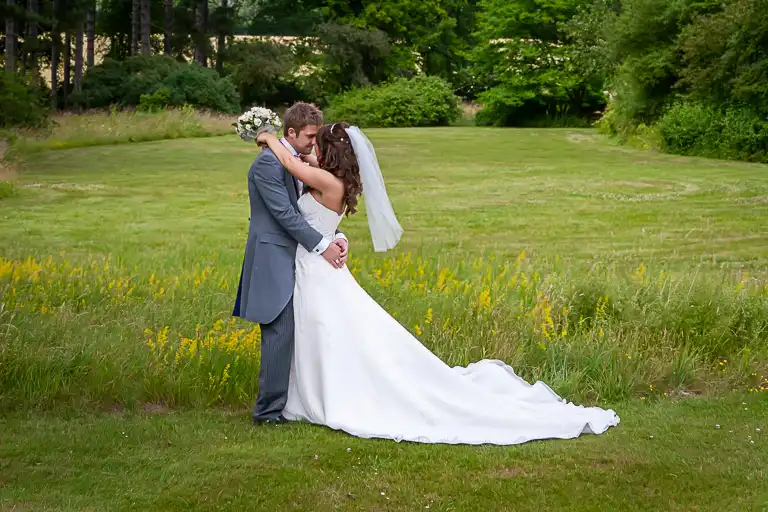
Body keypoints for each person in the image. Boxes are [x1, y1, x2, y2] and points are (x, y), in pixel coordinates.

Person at [253, 122, 620, 445]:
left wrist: (269, 137)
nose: (312, 147)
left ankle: (327, 396)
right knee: (329, 333)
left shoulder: (321, 178)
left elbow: (289, 164)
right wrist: (338, 237)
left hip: (316, 269)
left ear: (328, 151)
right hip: (317, 267)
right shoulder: (339, 181)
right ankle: (309, 393)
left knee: (328, 332)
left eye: (318, 142)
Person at [233, 102, 349, 425]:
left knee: (297, 334)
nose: (314, 143)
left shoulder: (298, 160)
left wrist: (335, 235)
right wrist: (323, 245)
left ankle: (290, 404)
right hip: (274, 257)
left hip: (298, 261)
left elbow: (311, 209)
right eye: (310, 137)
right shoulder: (268, 165)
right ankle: (268, 413)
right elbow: (285, 216)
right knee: (278, 333)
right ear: (291, 133)